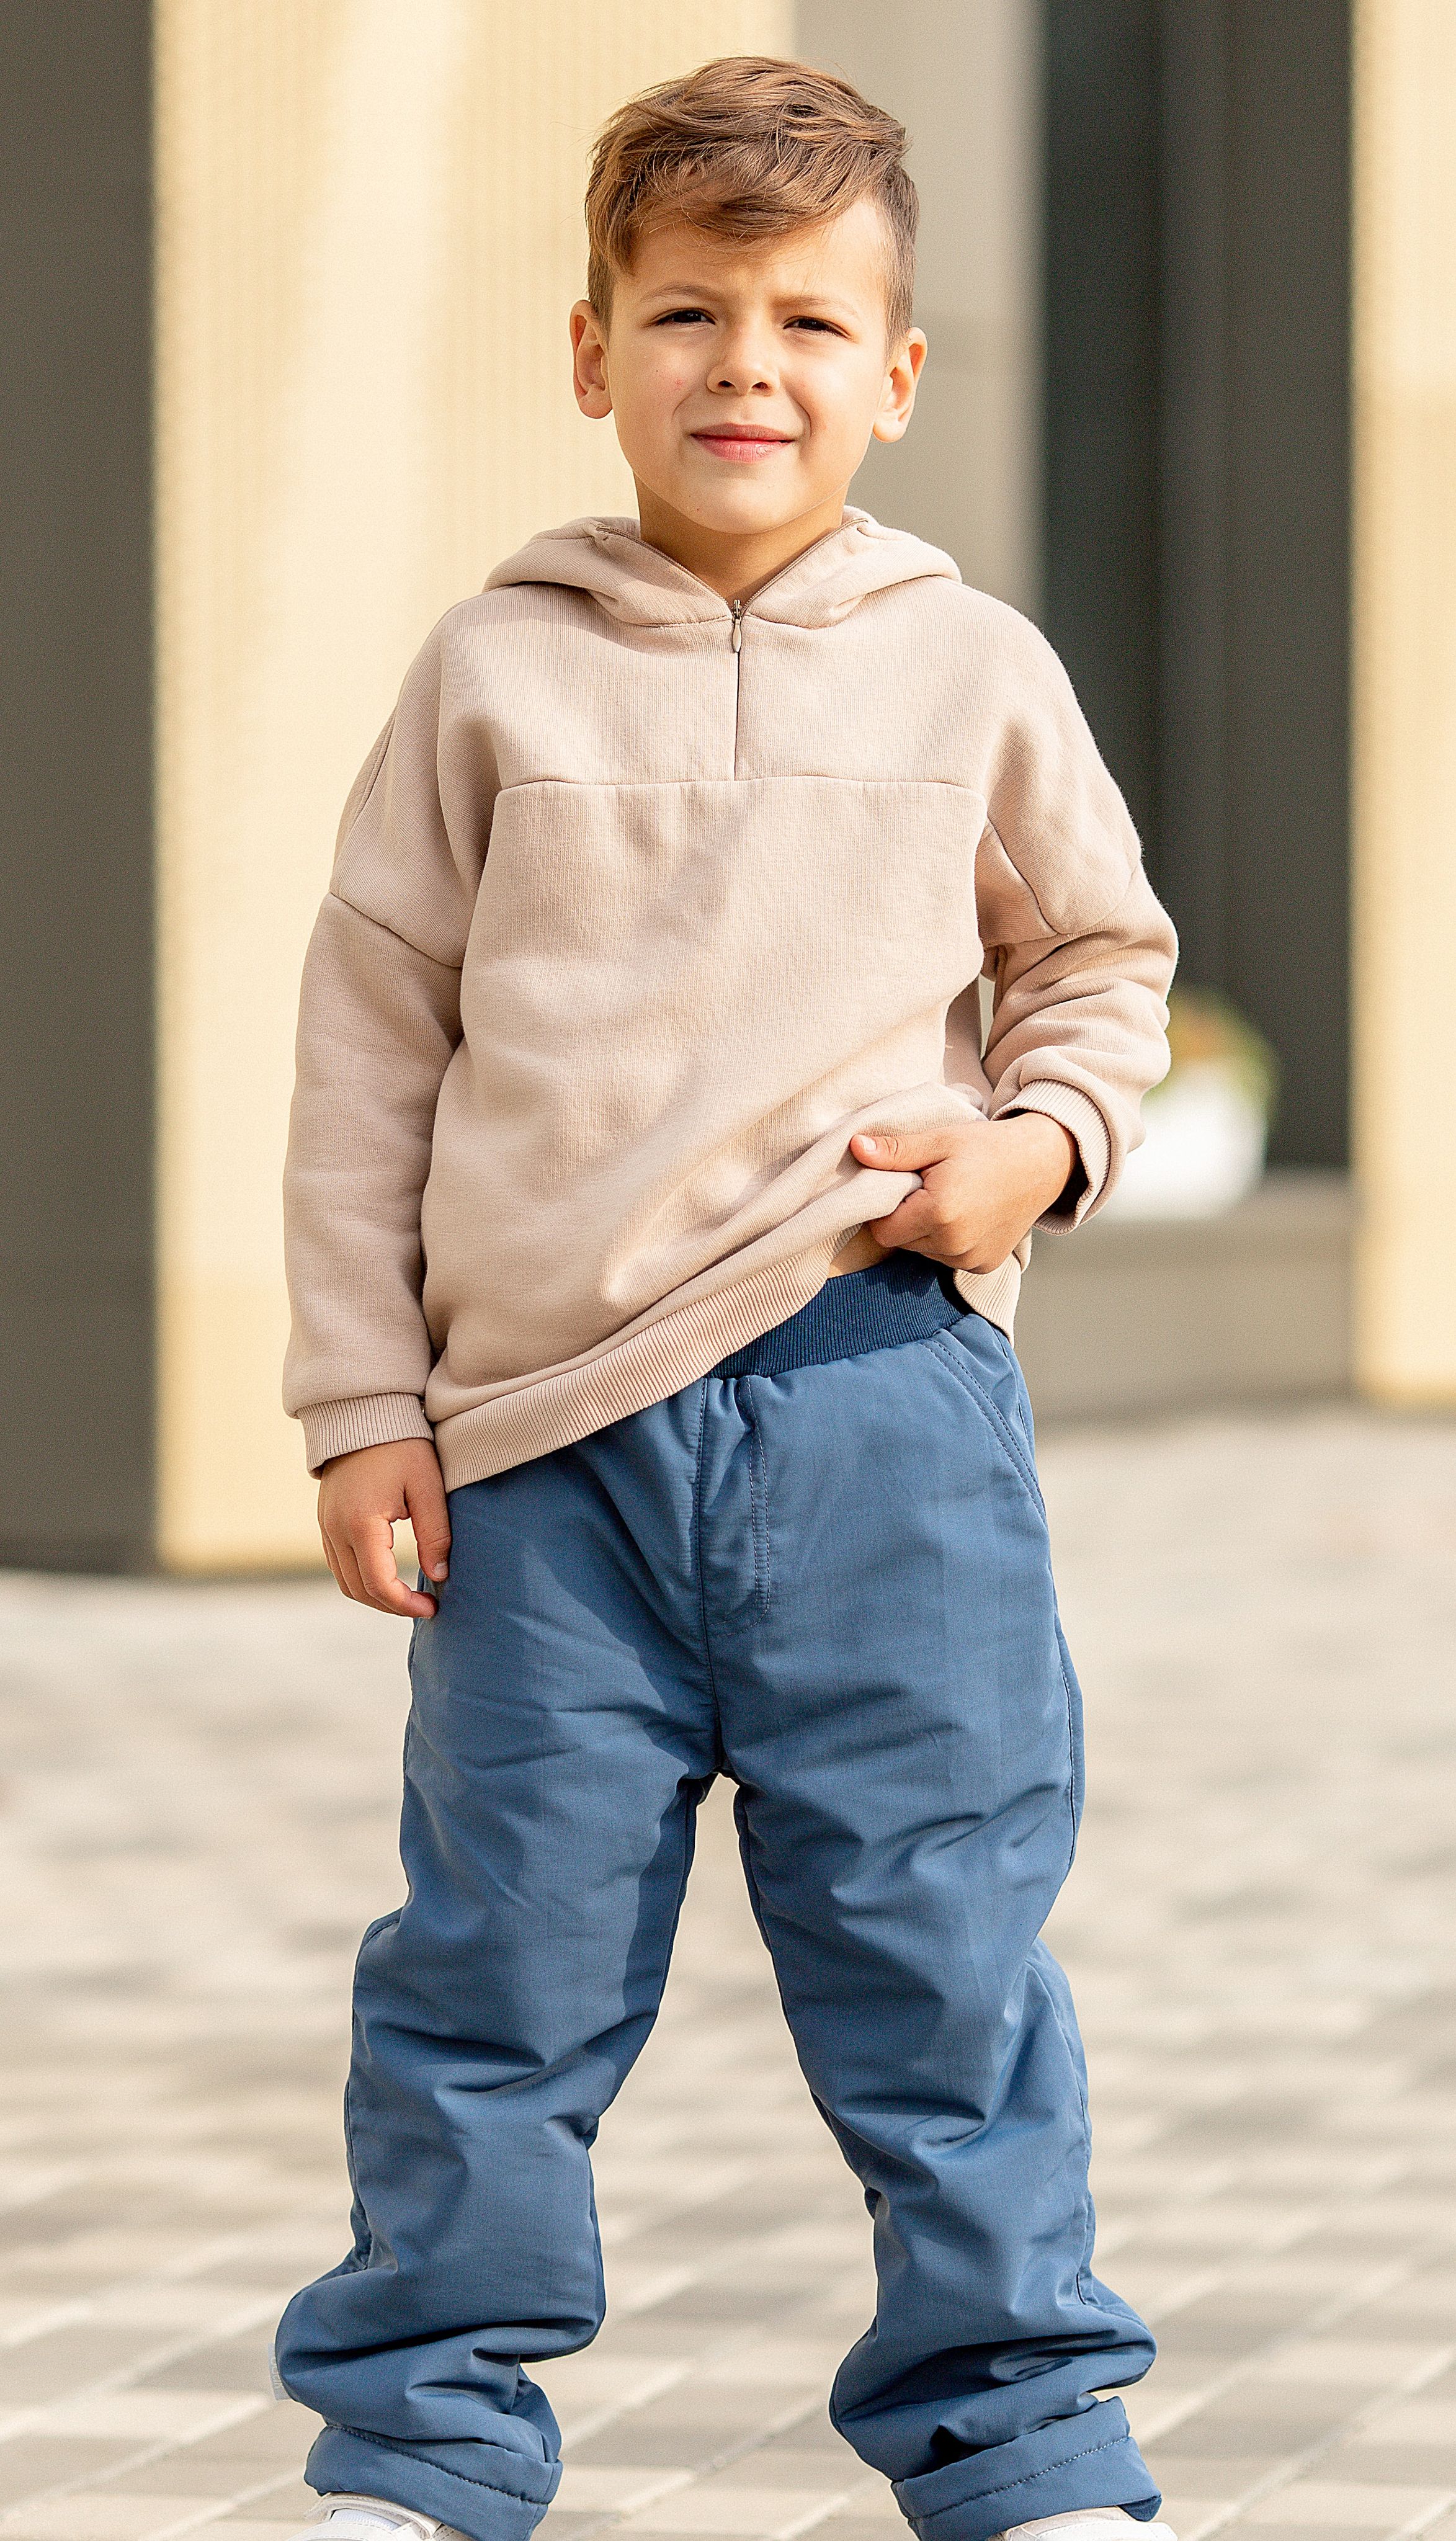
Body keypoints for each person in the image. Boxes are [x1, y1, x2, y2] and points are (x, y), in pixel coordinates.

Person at [273, 56, 1179, 2541]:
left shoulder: (973, 667)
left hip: (879, 1405)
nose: (742, 366)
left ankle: (1025, 2447)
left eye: (804, 322)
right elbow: (368, 1053)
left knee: (940, 1954)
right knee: (491, 1976)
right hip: (542, 1454)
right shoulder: (488, 673)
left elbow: (1096, 966)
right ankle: (422, 2454)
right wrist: (362, 1403)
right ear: (592, 354)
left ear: (896, 372)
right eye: (684, 312)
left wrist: (1032, 1150)